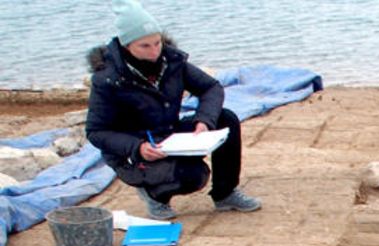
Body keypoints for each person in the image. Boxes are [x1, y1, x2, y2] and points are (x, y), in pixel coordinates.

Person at [86, 0, 260, 220]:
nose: (155, 51)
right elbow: (96, 132)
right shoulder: (108, 79)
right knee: (193, 176)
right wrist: (137, 148)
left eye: (157, 42)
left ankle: (225, 194)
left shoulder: (172, 60)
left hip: (168, 131)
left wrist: (204, 120)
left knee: (226, 119)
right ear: (126, 46)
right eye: (145, 46)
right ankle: (154, 195)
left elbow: (211, 87)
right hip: (135, 146)